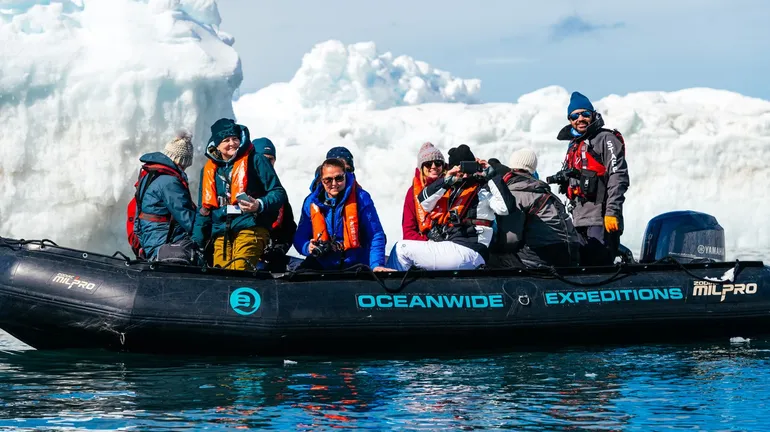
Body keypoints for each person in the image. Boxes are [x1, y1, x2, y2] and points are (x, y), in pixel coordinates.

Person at [388, 144, 506, 271]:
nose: (465, 174)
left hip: (469, 248)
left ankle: (389, 289)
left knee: (401, 249)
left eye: (438, 163)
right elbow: (424, 202)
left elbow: (505, 208)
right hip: (451, 245)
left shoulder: (483, 188)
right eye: (461, 169)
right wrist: (447, 179)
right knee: (401, 249)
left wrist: (491, 175)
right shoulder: (451, 188)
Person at [193, 118, 288, 270]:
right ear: (217, 144)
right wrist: (196, 242)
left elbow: (278, 192)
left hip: (251, 226)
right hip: (221, 233)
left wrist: (259, 204)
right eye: (226, 140)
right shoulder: (209, 170)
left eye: (235, 138)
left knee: (240, 271)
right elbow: (203, 210)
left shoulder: (256, 160)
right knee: (221, 276)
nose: (232, 143)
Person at [551, 91, 630, 266]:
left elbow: (618, 176)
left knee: (599, 266)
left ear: (593, 114)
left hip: (600, 218)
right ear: (570, 120)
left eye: (585, 114)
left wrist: (612, 212)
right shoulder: (574, 144)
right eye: (574, 116)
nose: (580, 119)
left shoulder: (606, 139)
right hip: (578, 218)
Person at [487, 148, 581, 268]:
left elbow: (510, 240)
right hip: (571, 254)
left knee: (488, 257)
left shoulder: (514, 193)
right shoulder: (546, 192)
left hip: (542, 257)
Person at [294, 158, 392, 271]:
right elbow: (300, 236)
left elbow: (375, 234)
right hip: (323, 263)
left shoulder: (361, 198)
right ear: (321, 180)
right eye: (328, 180)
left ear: (345, 176)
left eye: (339, 178)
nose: (334, 184)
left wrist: (377, 265)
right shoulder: (311, 202)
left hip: (355, 263)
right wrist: (307, 247)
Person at [132, 132, 198, 261]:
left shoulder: (149, 175)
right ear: (183, 161)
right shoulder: (170, 182)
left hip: (150, 238)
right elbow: (187, 218)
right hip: (164, 243)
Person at [255, 137, 297, 272]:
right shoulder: (241, 188)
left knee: (302, 268)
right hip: (246, 253)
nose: (267, 163)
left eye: (270, 159)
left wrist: (279, 249)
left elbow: (289, 228)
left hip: (271, 256)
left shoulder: (278, 193)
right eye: (263, 159)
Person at [401, 142, 446, 241]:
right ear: (421, 167)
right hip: (424, 244)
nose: (433, 166)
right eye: (428, 164)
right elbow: (408, 232)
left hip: (450, 242)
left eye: (438, 163)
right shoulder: (412, 192)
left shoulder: (452, 186)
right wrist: (428, 242)